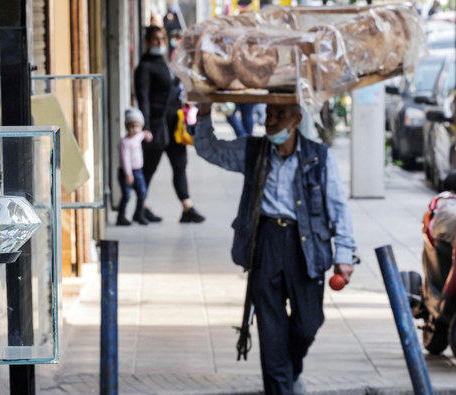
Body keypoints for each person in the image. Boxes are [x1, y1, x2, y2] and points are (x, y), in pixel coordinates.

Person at [192, 102, 356, 394]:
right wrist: (204, 113)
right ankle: (280, 387)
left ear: (296, 120)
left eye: (279, 115)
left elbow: (338, 207)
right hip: (265, 241)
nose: (271, 120)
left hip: (305, 246)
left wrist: (344, 253)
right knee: (271, 331)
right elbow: (210, 150)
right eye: (268, 114)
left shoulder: (319, 157)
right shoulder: (253, 151)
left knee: (308, 323)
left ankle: (288, 372)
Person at [135, 26, 205, 223]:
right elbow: (144, 99)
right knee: (149, 168)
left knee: (180, 165)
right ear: (148, 43)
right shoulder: (145, 67)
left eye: (162, 40)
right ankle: (141, 207)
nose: (160, 44)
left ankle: (187, 207)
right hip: (157, 126)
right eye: (156, 40)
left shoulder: (167, 63)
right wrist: (146, 127)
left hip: (174, 125)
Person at [117, 109, 153, 226]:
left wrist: (148, 135)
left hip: (138, 171)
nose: (134, 129)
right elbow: (125, 159)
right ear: (126, 127)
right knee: (126, 195)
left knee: (142, 193)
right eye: (131, 126)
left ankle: (139, 214)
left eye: (137, 126)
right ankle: (121, 216)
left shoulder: (138, 136)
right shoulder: (125, 142)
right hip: (127, 172)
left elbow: (145, 134)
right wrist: (128, 174)